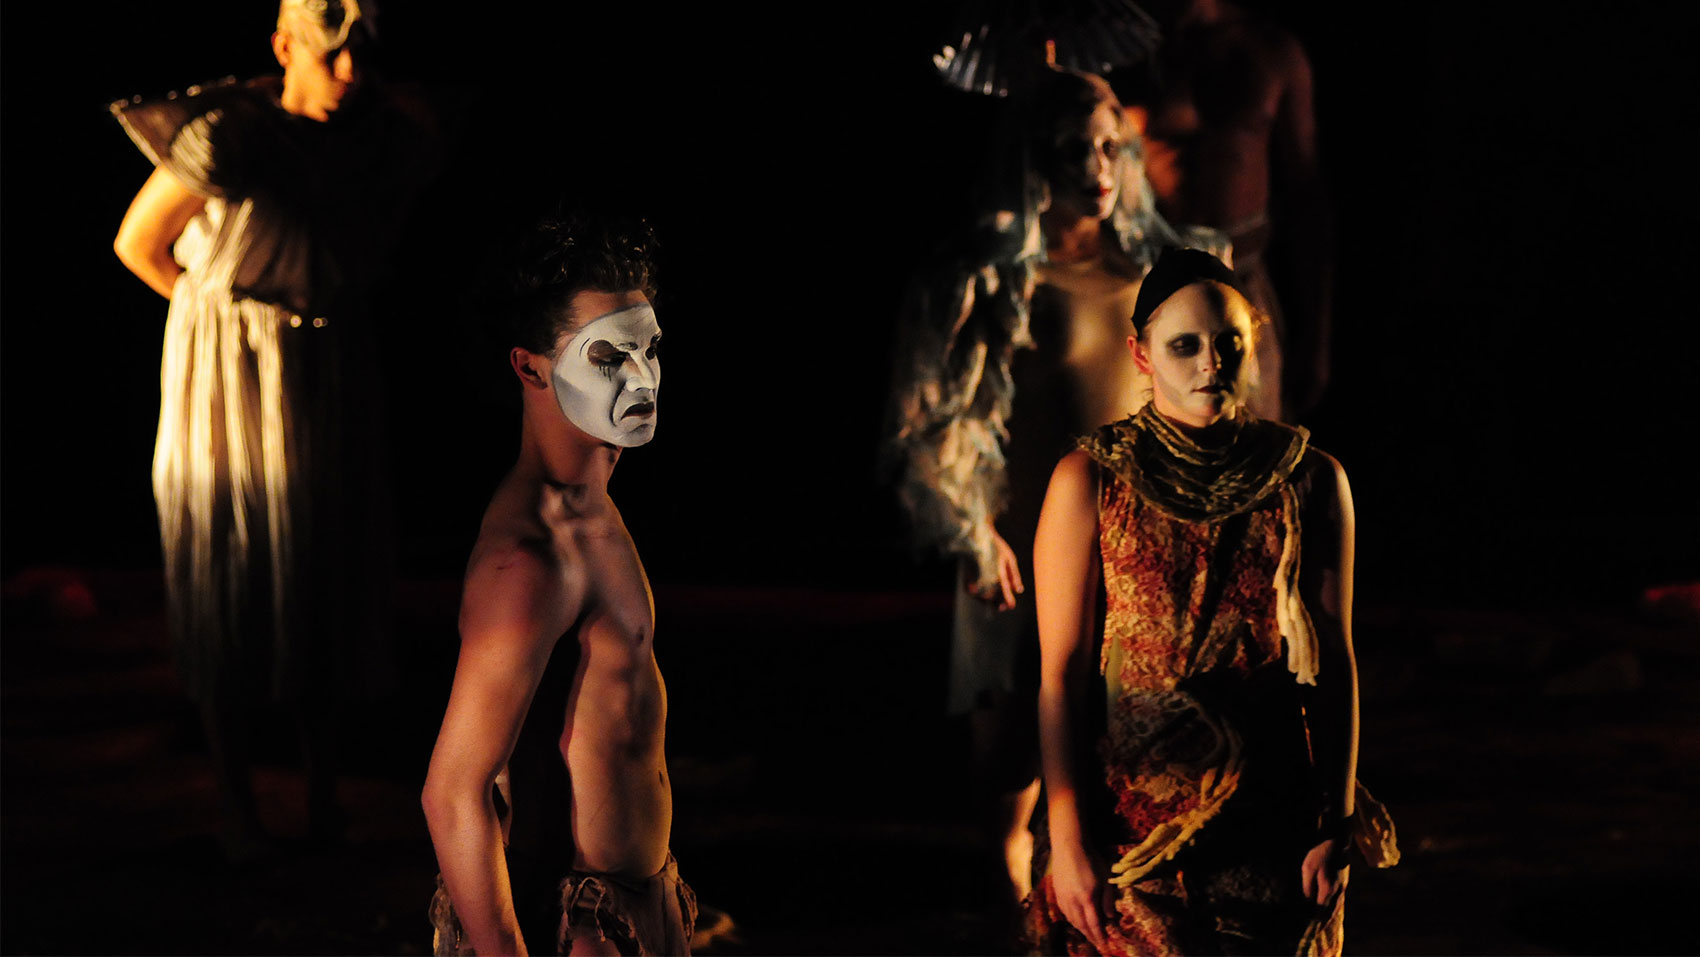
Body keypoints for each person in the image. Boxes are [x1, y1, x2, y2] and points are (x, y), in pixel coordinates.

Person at [889, 66, 1230, 920]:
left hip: (1134, 540)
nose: (1098, 167)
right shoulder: (987, 278)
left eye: (1110, 146)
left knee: (1128, 739)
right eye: (1074, 148)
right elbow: (927, 416)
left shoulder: (1156, 272)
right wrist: (969, 528)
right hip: (1019, 539)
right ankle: (1011, 905)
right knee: (1010, 753)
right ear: (1033, 157)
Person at [111, 0, 435, 857]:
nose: (351, 75)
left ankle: (322, 794)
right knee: (229, 560)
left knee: (317, 566)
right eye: (333, 57)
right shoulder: (228, 137)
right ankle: (236, 805)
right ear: (285, 47)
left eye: (363, 56)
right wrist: (216, 326)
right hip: (228, 373)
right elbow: (139, 244)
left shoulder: (378, 141)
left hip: (326, 368)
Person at [1025, 247, 1395, 955]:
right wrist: (1068, 838)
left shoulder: (1310, 478)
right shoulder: (1090, 479)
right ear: (1140, 354)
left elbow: (1335, 658)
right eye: (1184, 344)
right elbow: (1059, 674)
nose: (1209, 362)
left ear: (1253, 337)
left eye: (1228, 341)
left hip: (1270, 822)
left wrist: (1336, 818)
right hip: (1130, 830)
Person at [421, 213, 695, 956]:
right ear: (531, 366)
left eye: (650, 348)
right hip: (571, 925)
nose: (642, 377)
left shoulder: (594, 494)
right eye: (608, 356)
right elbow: (451, 792)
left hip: (631, 906)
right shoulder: (530, 557)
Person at [1115, 0, 1334, 420]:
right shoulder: (1125, 50)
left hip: (1243, 280)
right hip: (1146, 281)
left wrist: (1316, 336)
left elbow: (1309, 199)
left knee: (1251, 453)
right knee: (1151, 454)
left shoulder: (1269, 51)